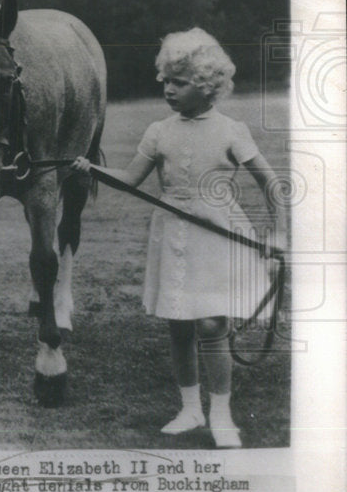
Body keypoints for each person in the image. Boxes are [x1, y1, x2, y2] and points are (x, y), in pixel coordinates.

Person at [73, 28, 287, 448]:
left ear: (207, 86)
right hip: (172, 235)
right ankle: (190, 409)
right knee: (179, 324)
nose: (169, 90)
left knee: (212, 322)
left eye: (181, 82)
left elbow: (273, 185)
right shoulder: (158, 131)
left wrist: (277, 235)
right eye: (166, 81)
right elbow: (132, 179)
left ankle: (221, 416)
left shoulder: (231, 131)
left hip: (219, 236)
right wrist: (90, 169)